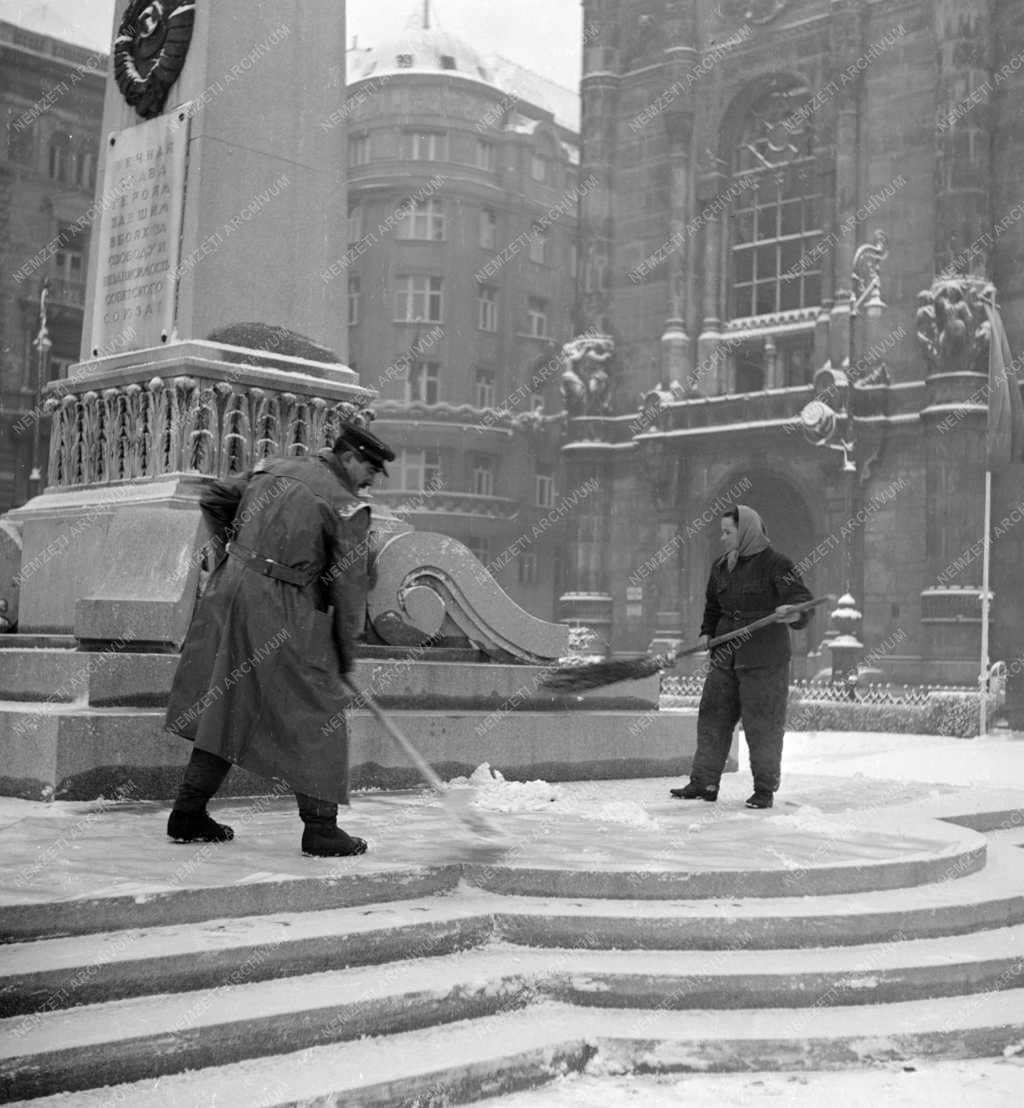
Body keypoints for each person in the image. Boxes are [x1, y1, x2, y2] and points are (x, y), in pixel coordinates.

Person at [164, 422, 395, 856]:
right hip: (280, 609)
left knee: (226, 701)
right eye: (370, 469)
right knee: (317, 711)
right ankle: (322, 829)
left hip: (229, 596)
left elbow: (214, 499)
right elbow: (348, 590)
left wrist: (235, 553)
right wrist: (344, 655)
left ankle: (188, 813)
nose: (372, 480)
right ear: (349, 458)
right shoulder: (346, 507)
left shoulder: (271, 469)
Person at [670, 504, 813, 809]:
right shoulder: (721, 567)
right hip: (725, 657)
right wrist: (706, 631)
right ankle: (704, 782)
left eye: (727, 532)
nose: (722, 538)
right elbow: (712, 606)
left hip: (764, 658)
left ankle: (764, 789)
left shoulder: (777, 564)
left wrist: (793, 612)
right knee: (713, 717)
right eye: (721, 532)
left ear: (745, 530)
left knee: (763, 725)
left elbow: (801, 601)